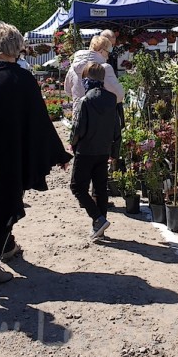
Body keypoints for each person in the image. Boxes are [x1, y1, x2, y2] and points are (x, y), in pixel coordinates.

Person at [0, 22, 71, 284]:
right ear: (16, 47)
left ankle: (7, 247)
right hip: (9, 154)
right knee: (5, 205)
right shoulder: (21, 79)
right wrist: (58, 154)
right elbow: (40, 121)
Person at [69, 62, 120, 241]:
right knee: (100, 189)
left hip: (85, 150)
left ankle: (98, 218)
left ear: (87, 79)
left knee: (77, 187)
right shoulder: (112, 99)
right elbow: (117, 127)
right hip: (103, 150)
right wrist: (115, 152)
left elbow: (78, 128)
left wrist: (72, 143)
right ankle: (99, 227)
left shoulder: (85, 101)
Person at [63, 36, 124, 105]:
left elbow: (68, 91)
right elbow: (119, 95)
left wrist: (79, 99)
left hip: (79, 110)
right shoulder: (104, 68)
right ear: (101, 51)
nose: (108, 57)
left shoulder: (73, 68)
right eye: (108, 52)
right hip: (100, 110)